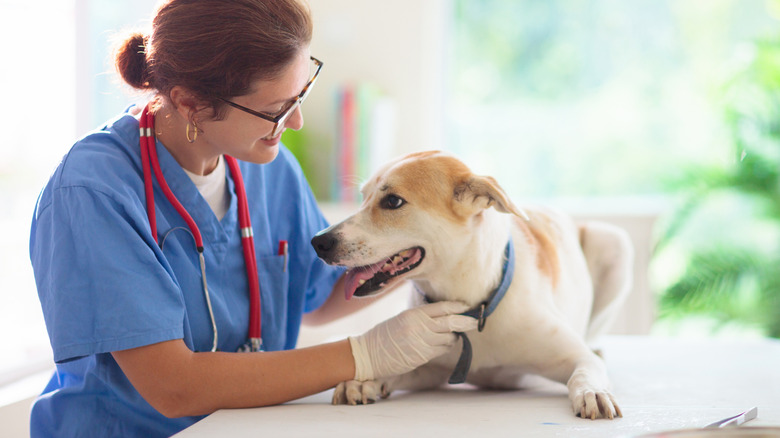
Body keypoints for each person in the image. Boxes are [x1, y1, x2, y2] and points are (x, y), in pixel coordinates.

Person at [28, 0, 477, 436]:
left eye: (301, 93)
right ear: (190, 104)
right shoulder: (92, 193)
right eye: (274, 109)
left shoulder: (269, 166)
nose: (296, 121)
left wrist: (428, 250)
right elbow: (173, 387)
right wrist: (367, 354)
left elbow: (319, 299)